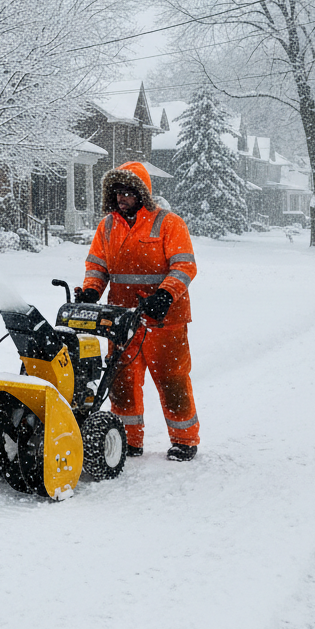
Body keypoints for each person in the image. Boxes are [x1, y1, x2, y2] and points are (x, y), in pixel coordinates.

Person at [75, 161, 200, 461]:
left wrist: (165, 295)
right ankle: (128, 440)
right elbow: (97, 266)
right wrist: (92, 290)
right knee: (122, 383)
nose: (122, 198)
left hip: (164, 320)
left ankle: (184, 439)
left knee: (172, 380)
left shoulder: (168, 223)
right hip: (122, 319)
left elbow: (184, 266)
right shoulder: (107, 226)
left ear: (142, 194)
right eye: (117, 192)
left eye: (128, 192)